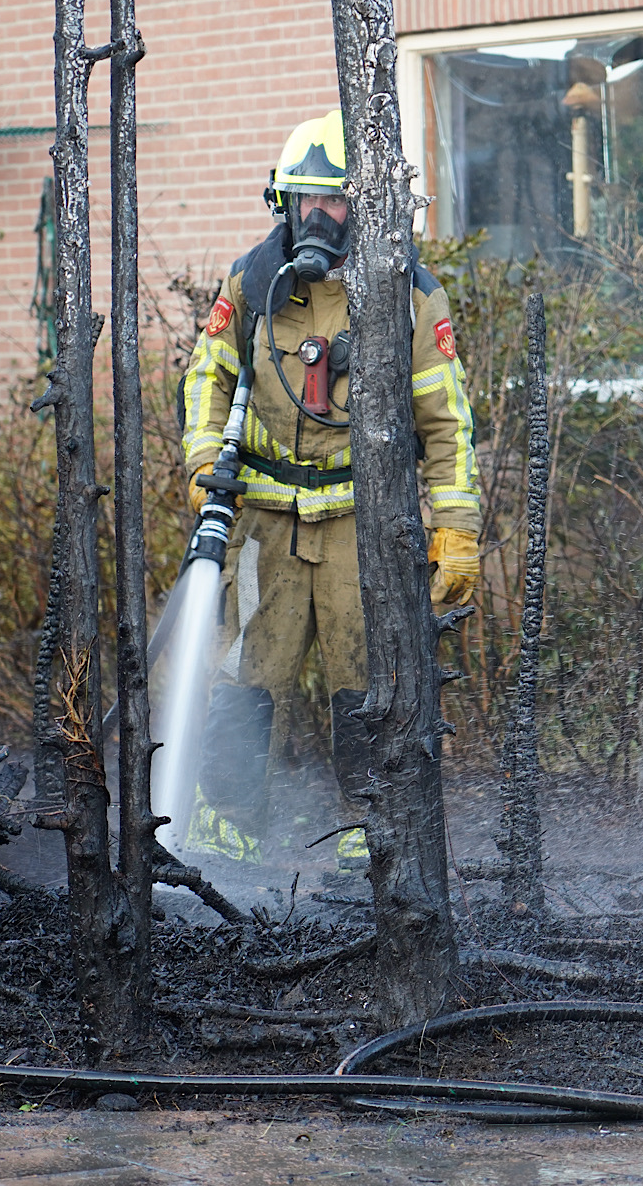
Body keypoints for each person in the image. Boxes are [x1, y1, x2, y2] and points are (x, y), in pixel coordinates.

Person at [176, 109, 483, 869]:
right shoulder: (252, 283)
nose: (319, 215)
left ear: (366, 205)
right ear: (282, 202)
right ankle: (227, 828)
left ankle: (369, 832)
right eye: (306, 199)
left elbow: (446, 421)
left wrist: (456, 527)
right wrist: (200, 465)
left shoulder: (407, 294)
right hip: (265, 522)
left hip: (361, 522)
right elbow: (205, 378)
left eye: (337, 199)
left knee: (365, 680)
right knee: (247, 676)